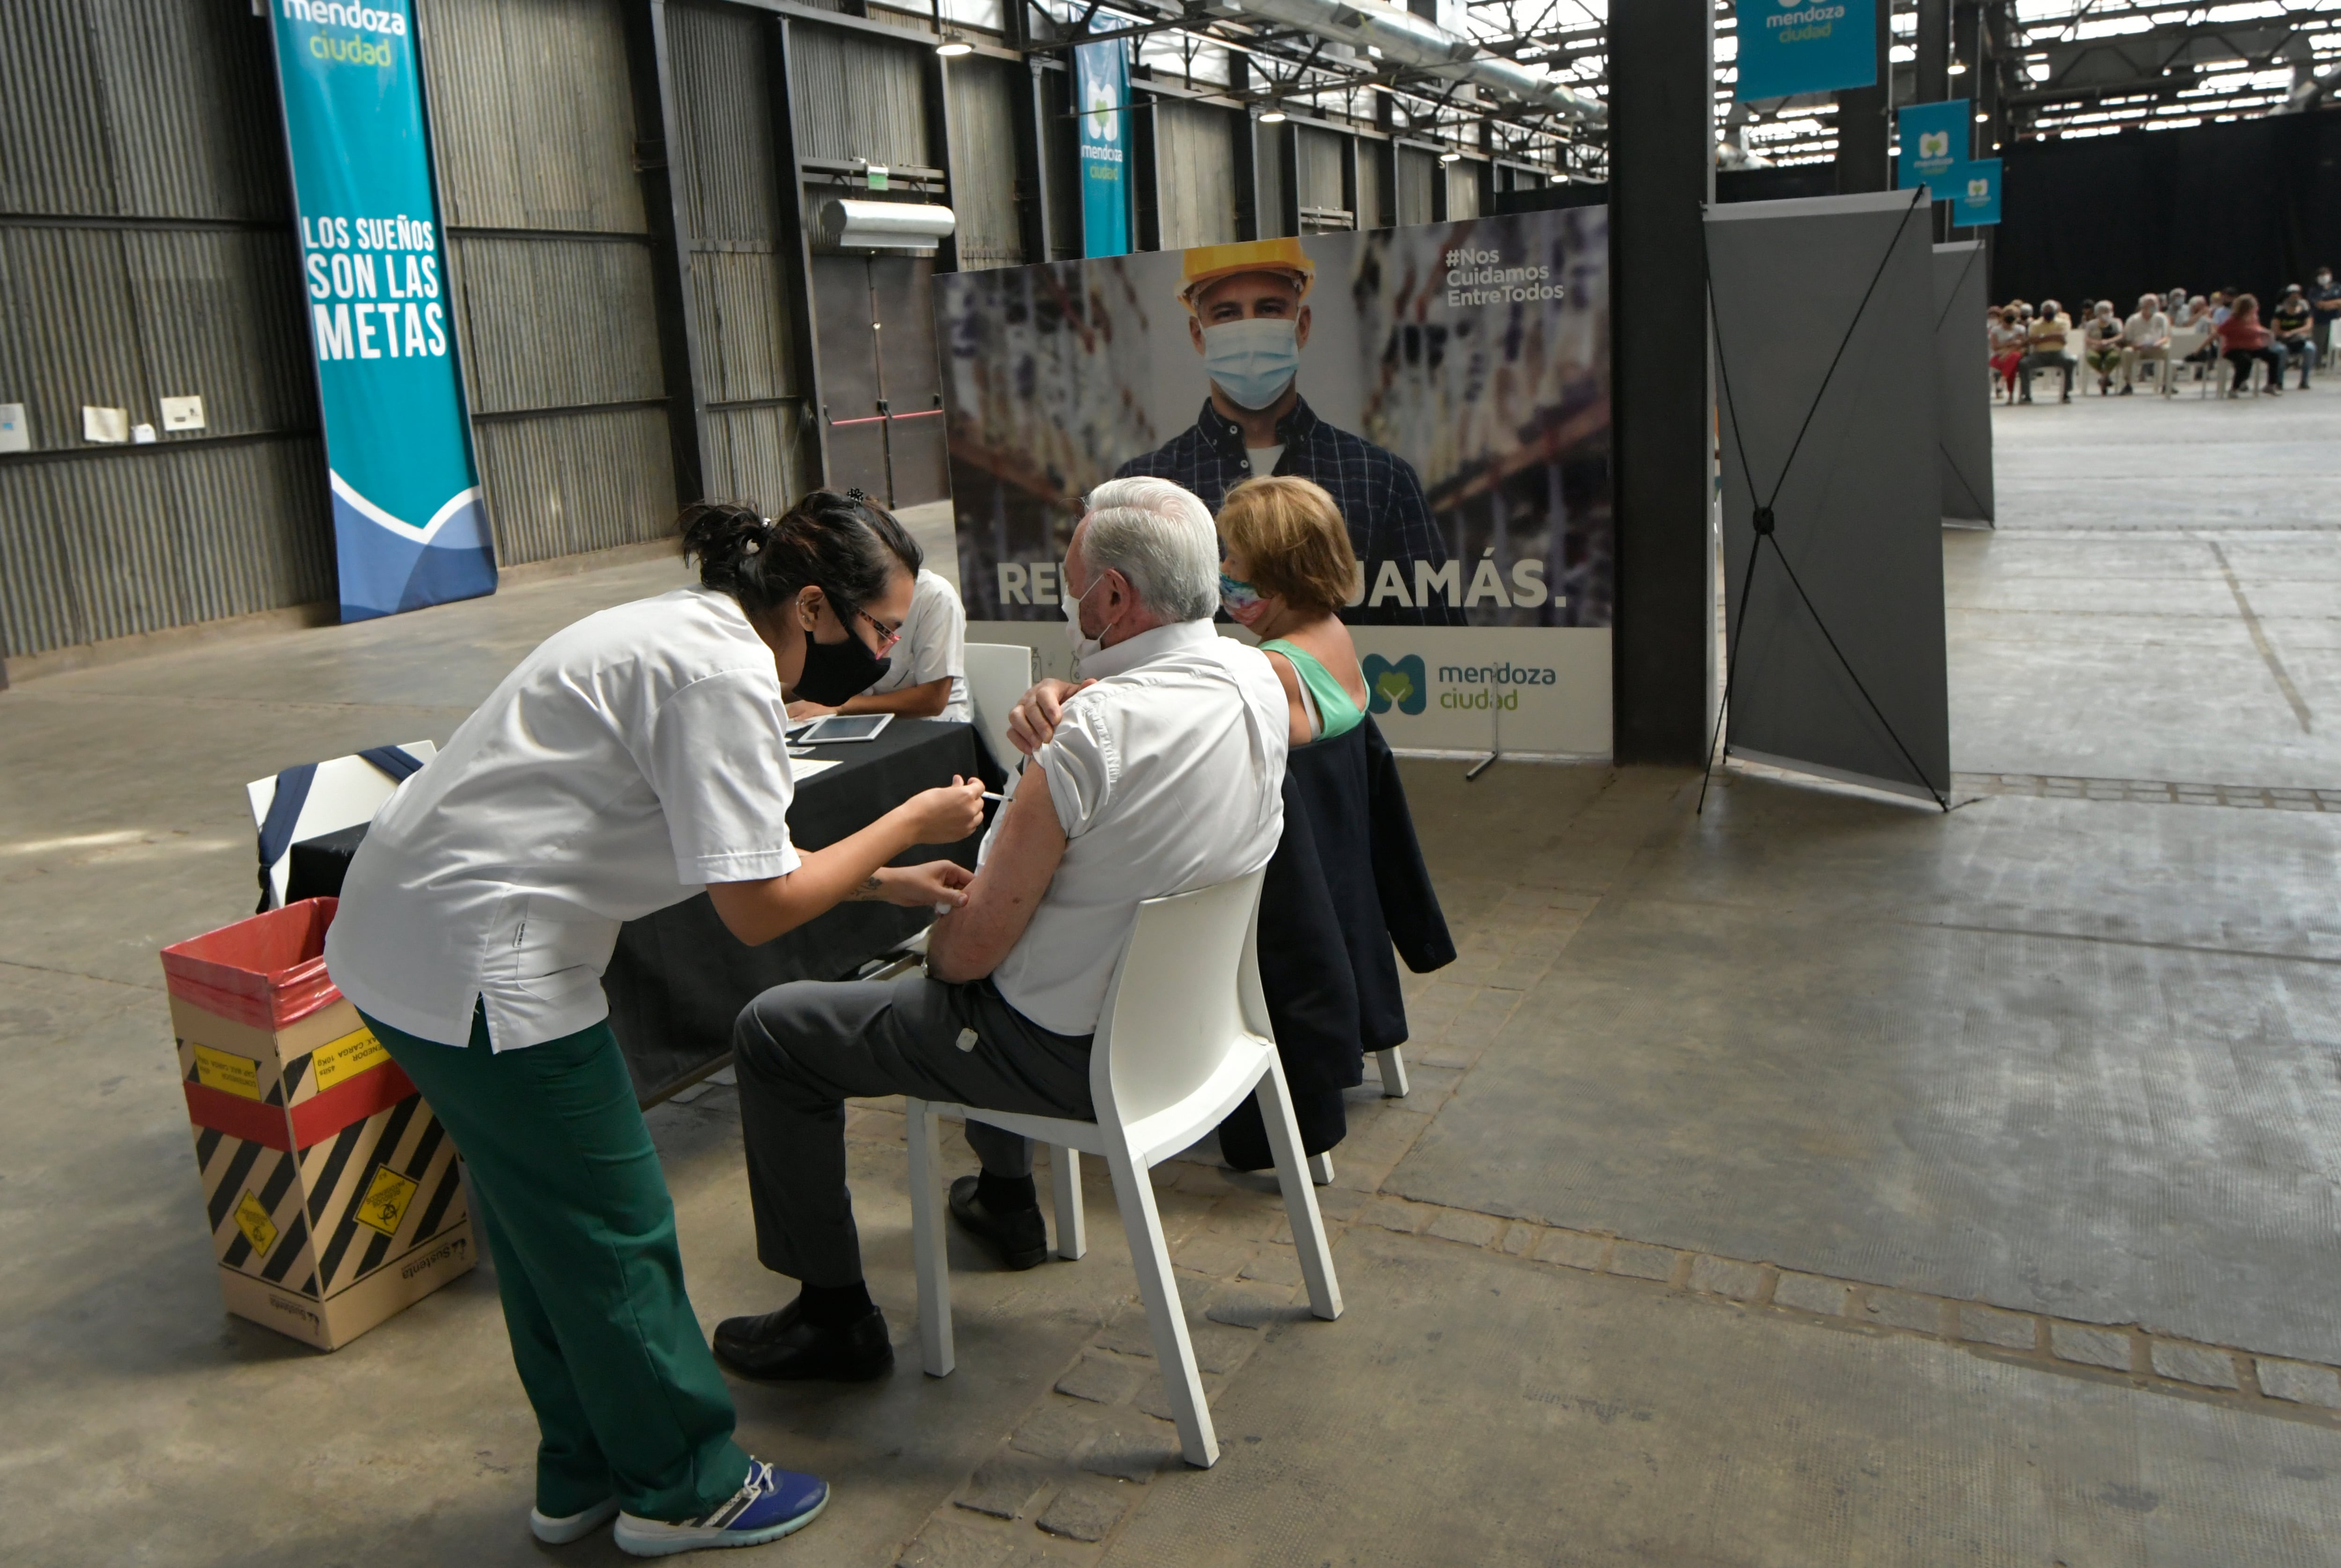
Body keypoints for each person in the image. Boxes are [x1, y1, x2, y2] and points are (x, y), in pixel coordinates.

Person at [323, 492, 987, 1557]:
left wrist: (884, 881)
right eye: (877, 632)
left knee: (549, 1234)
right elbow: (758, 907)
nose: (886, 654)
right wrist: (907, 817)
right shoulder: (721, 675)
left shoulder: (689, 633)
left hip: (406, 942)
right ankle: (682, 1484)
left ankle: (585, 1464)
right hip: (482, 966)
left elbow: (722, 851)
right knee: (615, 1225)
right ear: (812, 607)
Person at [713, 475, 1288, 1380]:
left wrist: (939, 919)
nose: (1064, 595)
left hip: (1074, 1055)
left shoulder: (1084, 737)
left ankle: (833, 1313)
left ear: (1111, 597)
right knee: (1022, 950)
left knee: (781, 1028)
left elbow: (967, 953)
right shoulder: (1258, 676)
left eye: (1071, 579)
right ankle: (1005, 1194)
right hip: (1196, 1035)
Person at [1208, 475, 1454, 1169]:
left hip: (1293, 909)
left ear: (1282, 573)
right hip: (1345, 876)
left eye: (1235, 561)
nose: (1224, 575)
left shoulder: (1273, 671)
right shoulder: (1332, 632)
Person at [1114, 237, 1460, 626]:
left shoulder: (1381, 479)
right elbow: (1113, 631)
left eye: (1269, 309)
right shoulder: (1145, 488)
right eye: (1227, 313)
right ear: (1198, 334)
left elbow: (1438, 636)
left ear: (1303, 325)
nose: (1249, 329)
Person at [785, 529, 968, 723]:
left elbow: (934, 701)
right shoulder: (843, 597)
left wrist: (838, 705)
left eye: (885, 632)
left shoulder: (935, 597)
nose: (883, 651)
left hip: (929, 727)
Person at [2215, 293, 2284, 397]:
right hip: (2235, 349)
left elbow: (2257, 328)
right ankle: (2235, 388)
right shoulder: (2233, 321)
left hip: (2253, 347)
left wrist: (2266, 333)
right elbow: (2219, 332)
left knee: (2273, 356)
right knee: (2245, 361)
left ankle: (2271, 385)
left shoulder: (2254, 319)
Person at [2018, 300, 2072, 404]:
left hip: (2058, 353)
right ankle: (2026, 395)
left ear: (2055, 312)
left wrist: (2042, 337)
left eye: (2051, 311)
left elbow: (2062, 336)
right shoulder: (2035, 324)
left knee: (2070, 361)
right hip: (2039, 355)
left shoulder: (2063, 323)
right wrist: (2053, 336)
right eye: (2046, 311)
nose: (2048, 313)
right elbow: (2032, 340)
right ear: (2042, 312)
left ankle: (2066, 394)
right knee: (2024, 364)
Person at [2120, 293, 2171, 395]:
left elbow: (2166, 337)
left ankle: (2167, 384)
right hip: (2138, 349)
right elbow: (2128, 339)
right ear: (2143, 306)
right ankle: (2128, 384)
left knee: (2169, 351)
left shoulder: (2162, 318)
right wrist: (2136, 346)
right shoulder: (2133, 320)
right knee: (2126, 352)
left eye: (2156, 304)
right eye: (2151, 304)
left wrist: (2158, 343)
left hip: (2155, 348)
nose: (2154, 306)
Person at [2270, 284, 2315, 390]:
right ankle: (2279, 382)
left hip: (2300, 341)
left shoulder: (2305, 313)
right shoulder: (2280, 314)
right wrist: (2285, 334)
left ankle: (2304, 381)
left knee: (2310, 349)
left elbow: (2308, 326)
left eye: (2297, 296)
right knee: (2282, 351)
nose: (2295, 299)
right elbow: (2275, 330)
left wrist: (2293, 332)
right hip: (2283, 342)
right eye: (2292, 297)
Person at [2083, 301, 2125, 394]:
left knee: (2113, 358)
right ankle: (2106, 378)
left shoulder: (2116, 322)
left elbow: (2121, 336)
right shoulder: (2091, 324)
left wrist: (2108, 342)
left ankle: (2103, 380)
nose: (2106, 313)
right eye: (2103, 311)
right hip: (2095, 348)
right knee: (2092, 358)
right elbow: (2087, 339)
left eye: (2108, 310)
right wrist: (2098, 343)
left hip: (2112, 348)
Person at [1988, 307, 2027, 401]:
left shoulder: (2020, 329)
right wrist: (2011, 343)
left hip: (2013, 356)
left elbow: (2020, 345)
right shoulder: (1996, 330)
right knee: (2011, 365)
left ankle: (2002, 381)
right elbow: (1995, 347)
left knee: (2014, 357)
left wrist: (2006, 352)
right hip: (1999, 357)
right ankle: (2010, 393)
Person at [2312, 265, 2341, 369]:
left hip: (2335, 321)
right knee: (2319, 344)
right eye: (2321, 275)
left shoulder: (2337, 287)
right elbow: (2319, 305)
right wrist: (2335, 304)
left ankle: (2332, 365)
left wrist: (2328, 304)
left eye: (2326, 274)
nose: (2324, 277)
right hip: (2321, 321)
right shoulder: (2314, 290)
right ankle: (2317, 365)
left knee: (2334, 344)